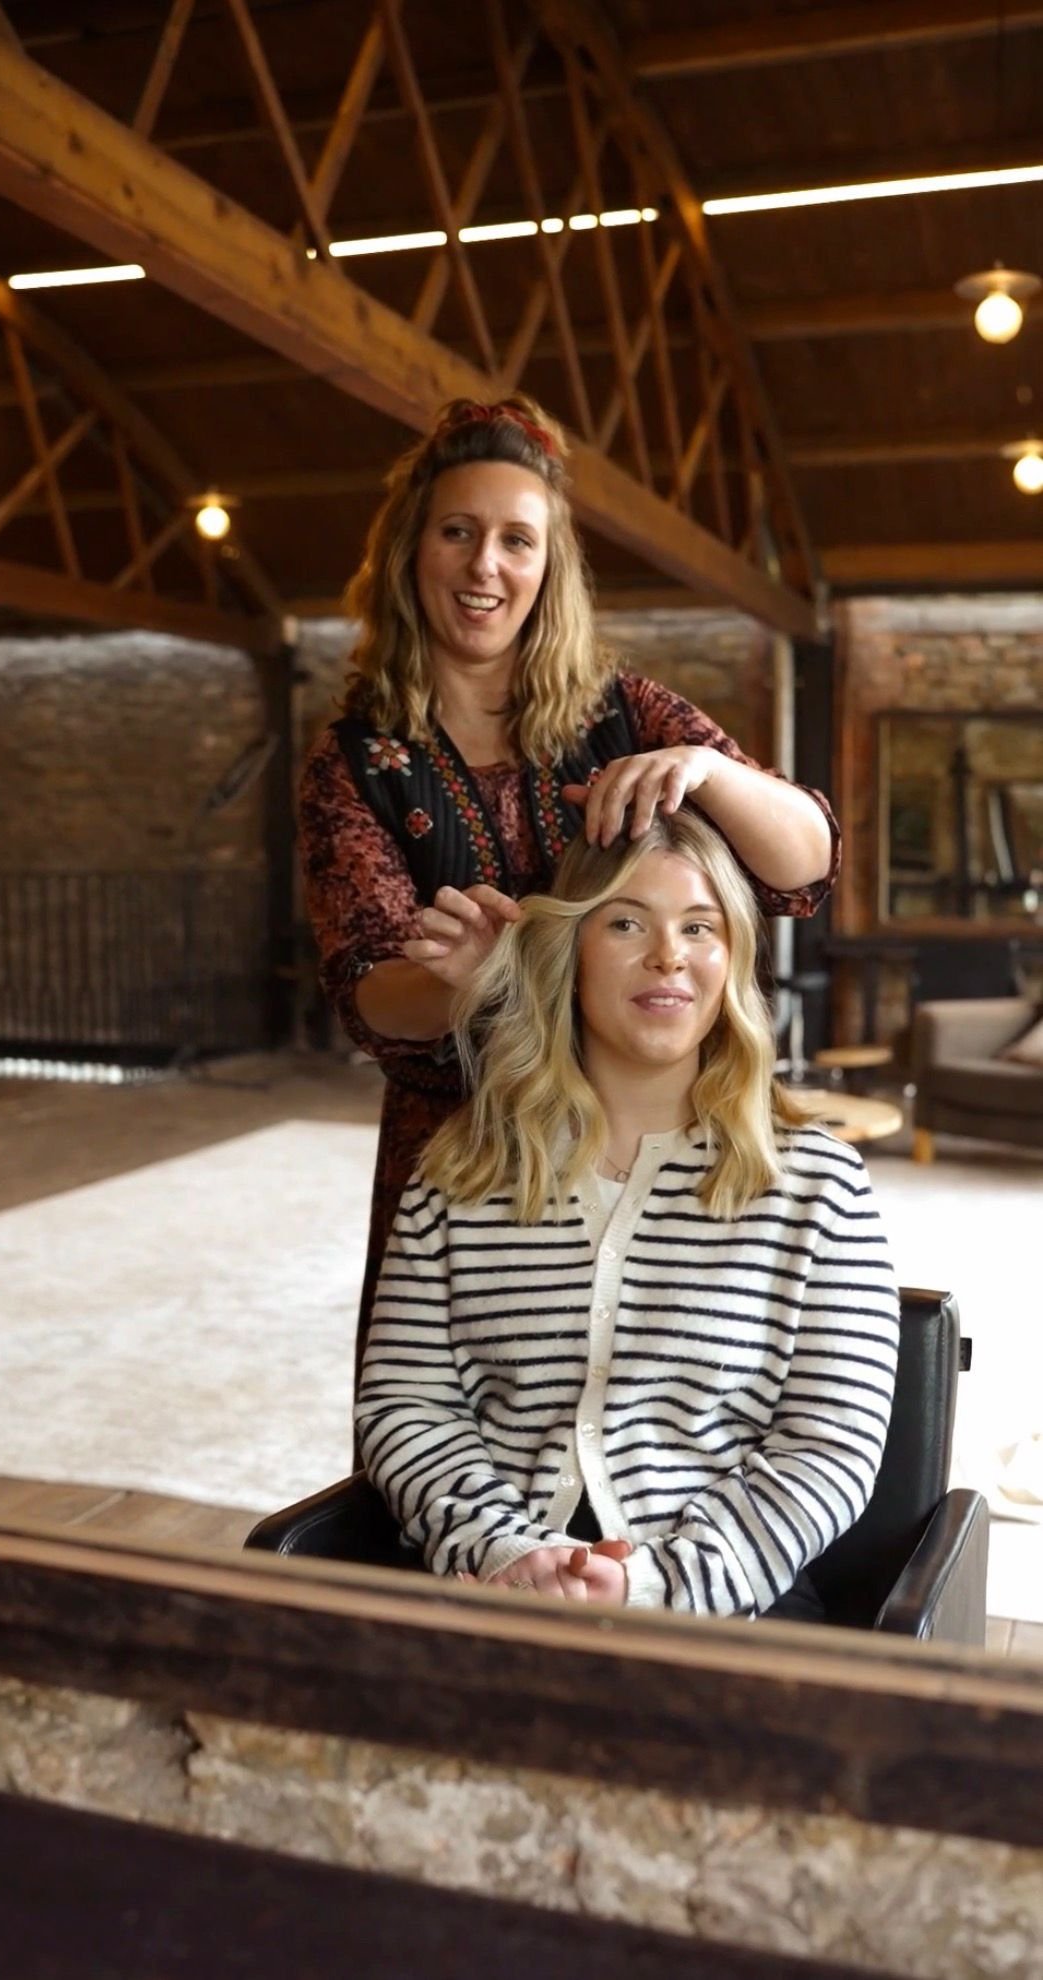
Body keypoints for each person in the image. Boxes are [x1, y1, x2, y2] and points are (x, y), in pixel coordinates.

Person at [298, 392, 840, 1384]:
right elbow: (369, 990)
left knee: (651, 1410)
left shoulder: (627, 711)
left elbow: (805, 863)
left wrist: (709, 773)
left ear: (550, 568)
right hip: (464, 1145)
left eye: (517, 539)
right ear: (412, 550)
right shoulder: (353, 762)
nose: (485, 566)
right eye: (458, 533)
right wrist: (470, 983)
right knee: (451, 1414)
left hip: (650, 1131)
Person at [355, 808, 899, 1615]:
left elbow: (831, 1444)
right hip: (488, 1589)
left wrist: (653, 1585)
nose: (668, 956)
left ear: (731, 960)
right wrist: (507, 1552)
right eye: (624, 922)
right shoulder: (459, 1172)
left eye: (699, 927)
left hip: (723, 1606)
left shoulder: (817, 1184)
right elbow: (405, 1402)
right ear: (567, 954)